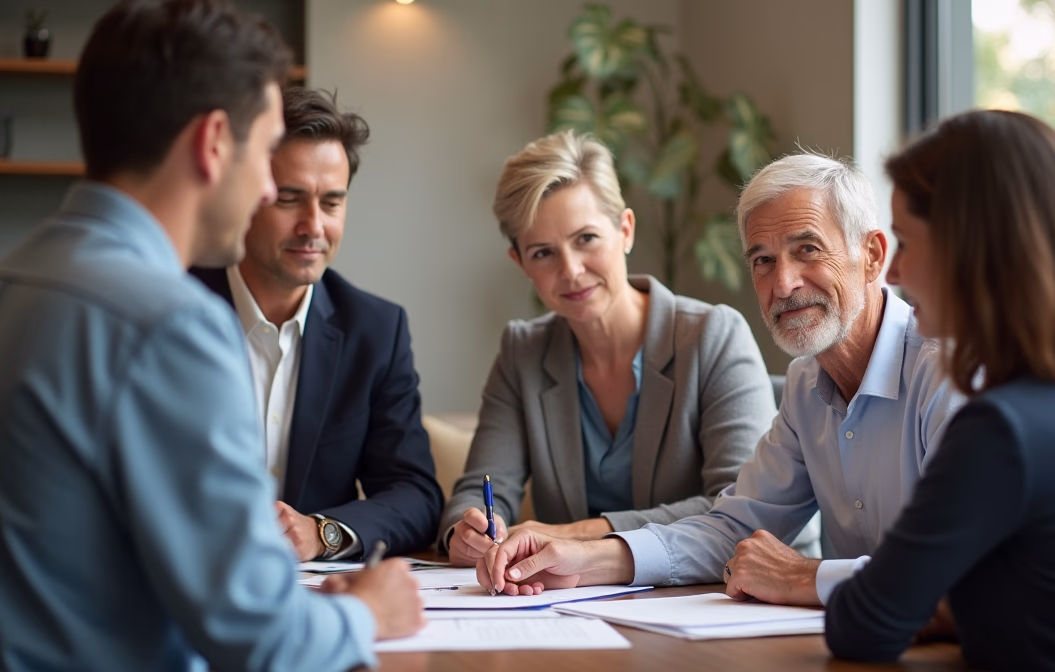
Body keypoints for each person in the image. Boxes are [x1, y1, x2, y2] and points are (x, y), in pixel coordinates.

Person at [0, 2, 422, 670]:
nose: (264, 190)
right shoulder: (170, 325)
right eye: (265, 158)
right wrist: (369, 613)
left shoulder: (20, 280)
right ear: (214, 142)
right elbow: (256, 637)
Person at [476, 151, 964, 597]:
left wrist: (803, 575)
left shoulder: (950, 373)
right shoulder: (806, 384)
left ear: (872, 256)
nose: (783, 283)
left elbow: (968, 571)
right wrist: (582, 559)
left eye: (808, 249)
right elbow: (733, 528)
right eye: (763, 260)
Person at [819, 109, 1055, 669]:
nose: (892, 274)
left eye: (906, 243)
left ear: (972, 252)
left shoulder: (1002, 430)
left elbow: (863, 625)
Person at [439, 131, 778, 567]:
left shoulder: (713, 336)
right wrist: (467, 531)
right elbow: (479, 488)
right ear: (520, 263)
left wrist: (577, 535)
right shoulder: (522, 353)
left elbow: (741, 509)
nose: (571, 270)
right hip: (571, 600)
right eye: (543, 253)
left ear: (625, 230)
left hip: (721, 592)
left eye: (586, 239)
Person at [193, 86, 442, 561]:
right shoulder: (171, 307)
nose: (314, 226)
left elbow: (415, 493)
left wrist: (322, 532)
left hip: (311, 589)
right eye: (290, 199)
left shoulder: (376, 330)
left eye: (331, 203)